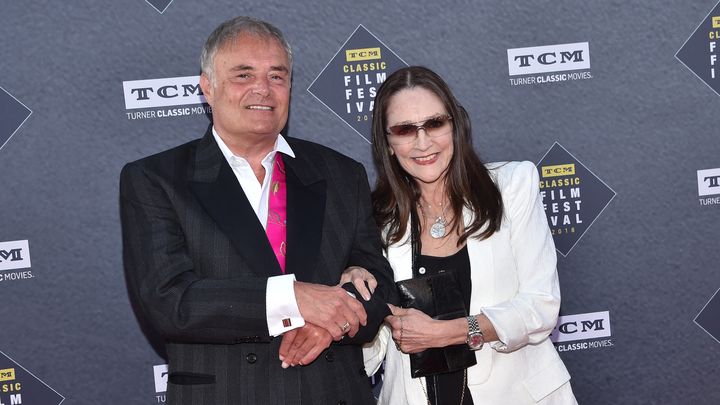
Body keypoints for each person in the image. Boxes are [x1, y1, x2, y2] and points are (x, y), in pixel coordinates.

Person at [120, 16, 394, 405]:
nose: (263, 89)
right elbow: (169, 302)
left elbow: (378, 282)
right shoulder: (155, 179)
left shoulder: (339, 173)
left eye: (277, 76)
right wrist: (294, 298)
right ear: (207, 88)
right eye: (243, 75)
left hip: (332, 390)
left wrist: (333, 322)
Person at [342, 66, 577, 404]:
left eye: (435, 123)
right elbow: (375, 348)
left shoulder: (511, 187)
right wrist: (354, 299)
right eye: (405, 129)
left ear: (455, 126)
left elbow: (541, 307)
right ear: (388, 143)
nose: (423, 143)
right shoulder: (375, 220)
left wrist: (445, 333)